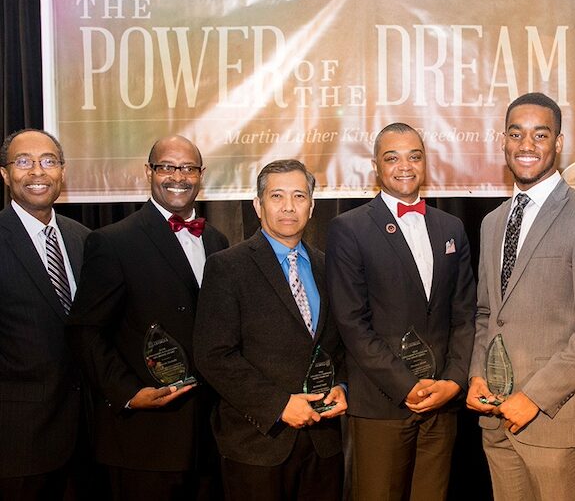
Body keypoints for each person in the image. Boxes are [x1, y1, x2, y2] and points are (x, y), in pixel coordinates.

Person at [465, 92, 575, 500]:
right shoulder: (492, 222)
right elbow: (487, 314)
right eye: (516, 134)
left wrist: (534, 398)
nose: (526, 145)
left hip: (555, 421)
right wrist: (477, 373)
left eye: (540, 134)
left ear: (558, 142)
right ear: (503, 140)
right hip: (496, 418)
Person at [66, 135, 229, 501]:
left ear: (201, 175)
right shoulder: (113, 242)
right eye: (167, 167)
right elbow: (85, 331)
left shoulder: (218, 242)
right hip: (144, 437)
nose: (178, 176)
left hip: (207, 436)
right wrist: (127, 394)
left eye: (188, 168)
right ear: (149, 172)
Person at [326, 122, 476, 500]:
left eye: (414, 156)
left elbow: (465, 312)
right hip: (382, 403)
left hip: (442, 404)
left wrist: (454, 381)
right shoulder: (350, 228)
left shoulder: (451, 227)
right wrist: (406, 386)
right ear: (376, 166)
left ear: (425, 162)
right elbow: (351, 322)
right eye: (391, 158)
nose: (404, 166)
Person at [194, 159, 346, 501]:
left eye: (299, 196)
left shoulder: (328, 266)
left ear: (311, 205)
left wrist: (343, 385)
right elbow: (213, 355)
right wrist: (279, 404)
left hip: (323, 443)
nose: (289, 206)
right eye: (277, 196)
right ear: (257, 205)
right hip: (257, 443)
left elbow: (340, 343)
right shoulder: (228, 267)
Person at [0, 129, 90, 499]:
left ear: (62, 172)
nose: (37, 171)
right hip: (17, 442)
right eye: (24, 162)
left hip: (86, 437)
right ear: (5, 175)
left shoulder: (83, 238)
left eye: (48, 161)